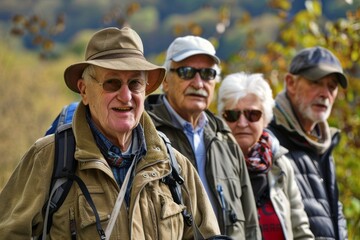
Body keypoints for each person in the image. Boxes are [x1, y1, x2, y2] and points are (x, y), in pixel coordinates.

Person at [0, 27, 223, 239]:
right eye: (112, 83)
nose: (125, 96)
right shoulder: (49, 158)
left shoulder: (174, 166)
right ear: (84, 91)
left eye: (135, 84)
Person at [144, 35, 261, 239]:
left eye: (208, 74)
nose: (198, 83)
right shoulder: (146, 135)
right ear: (165, 81)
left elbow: (250, 225)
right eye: (187, 72)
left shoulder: (224, 139)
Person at [217, 72, 314, 239]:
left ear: (266, 118)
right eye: (232, 115)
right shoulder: (211, 163)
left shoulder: (280, 164)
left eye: (252, 114)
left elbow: (300, 230)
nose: (242, 123)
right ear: (222, 119)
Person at [267, 46, 349, 239]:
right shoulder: (268, 141)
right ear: (290, 83)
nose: (324, 93)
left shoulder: (323, 144)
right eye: (316, 82)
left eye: (332, 86)